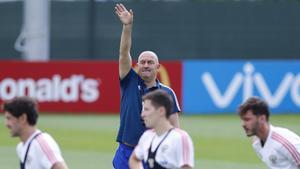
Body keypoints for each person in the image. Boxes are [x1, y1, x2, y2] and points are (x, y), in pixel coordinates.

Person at [113, 3, 181, 169]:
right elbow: (124, 53)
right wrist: (127, 26)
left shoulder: (166, 93)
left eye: (150, 62)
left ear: (158, 67)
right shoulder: (129, 81)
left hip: (153, 152)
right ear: (137, 65)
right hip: (126, 150)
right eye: (142, 62)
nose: (146, 65)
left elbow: (175, 129)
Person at [129, 89, 194, 169]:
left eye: (146, 109)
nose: (142, 114)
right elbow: (134, 159)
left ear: (161, 111)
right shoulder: (146, 136)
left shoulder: (180, 138)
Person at [3, 96, 69, 169]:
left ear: (23, 118)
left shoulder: (42, 144)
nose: (6, 124)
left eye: (9, 118)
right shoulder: (21, 147)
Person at [238, 96, 300, 169]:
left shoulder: (284, 142)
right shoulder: (256, 143)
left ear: (262, 119)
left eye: (247, 120)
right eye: (242, 120)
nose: (243, 124)